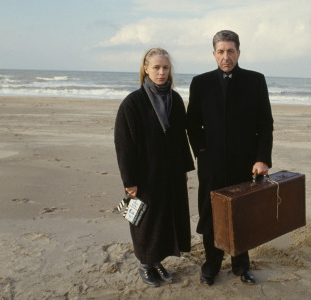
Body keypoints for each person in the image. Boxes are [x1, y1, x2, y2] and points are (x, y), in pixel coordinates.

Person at [186, 30, 274, 286]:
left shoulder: (255, 81)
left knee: (241, 216)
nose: (226, 56)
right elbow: (192, 123)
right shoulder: (200, 82)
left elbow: (265, 125)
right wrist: (201, 152)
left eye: (231, 51)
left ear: (238, 52)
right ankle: (211, 265)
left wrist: (262, 158)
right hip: (210, 165)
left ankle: (241, 266)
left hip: (245, 164)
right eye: (221, 51)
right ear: (214, 54)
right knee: (211, 215)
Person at [114, 48, 195, 287]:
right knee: (144, 220)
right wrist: (129, 181)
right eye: (156, 67)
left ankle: (157, 259)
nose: (161, 72)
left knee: (166, 218)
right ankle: (145, 264)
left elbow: (182, 138)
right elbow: (123, 144)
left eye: (166, 68)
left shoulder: (176, 100)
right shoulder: (133, 103)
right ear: (146, 69)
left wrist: (183, 170)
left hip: (170, 173)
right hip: (144, 176)